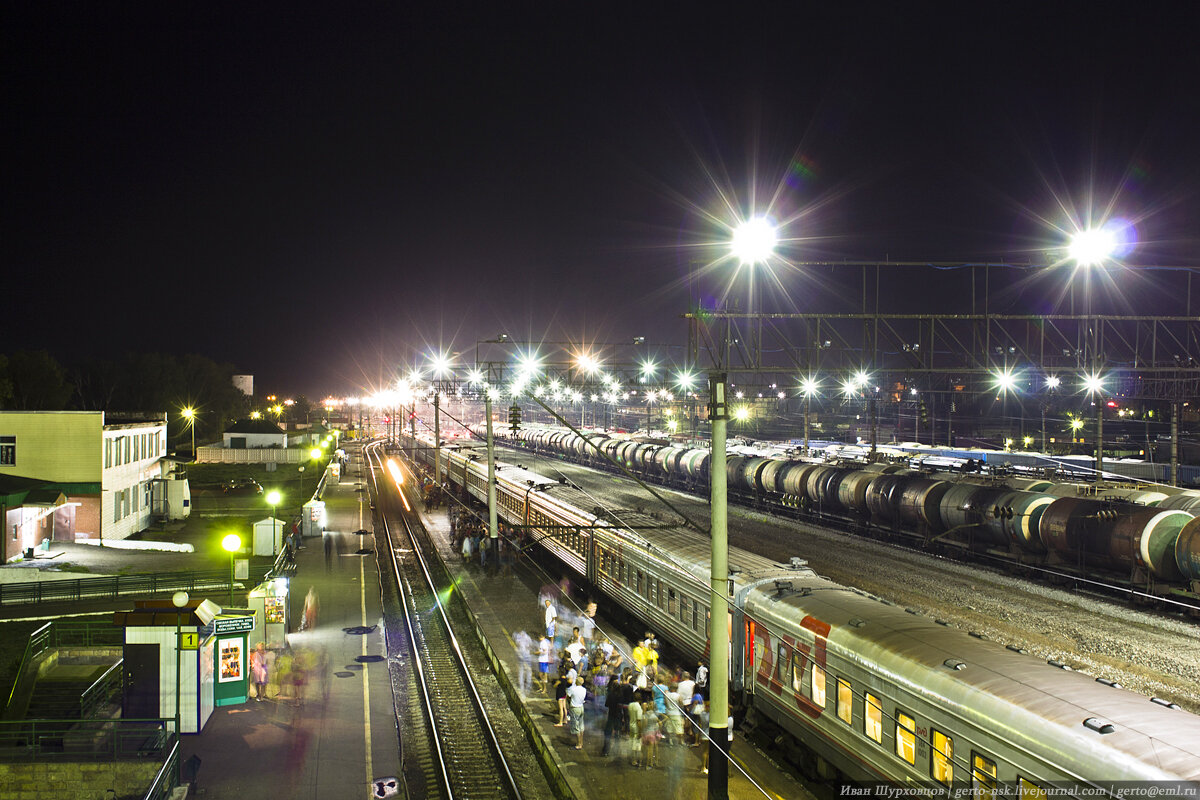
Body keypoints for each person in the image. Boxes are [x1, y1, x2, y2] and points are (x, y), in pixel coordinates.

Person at [567, 676, 587, 750]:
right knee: (581, 726)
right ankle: (581, 742)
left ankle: (579, 744)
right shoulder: (584, 690)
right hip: (581, 707)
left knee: (576, 726)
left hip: (575, 708)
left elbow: (568, 695)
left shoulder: (573, 689)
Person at [513, 630, 534, 697]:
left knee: (521, 671)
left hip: (521, 656)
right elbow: (530, 646)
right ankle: (527, 687)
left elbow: (517, 645)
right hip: (527, 656)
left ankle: (522, 687)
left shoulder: (518, 637)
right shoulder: (528, 638)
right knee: (528, 671)